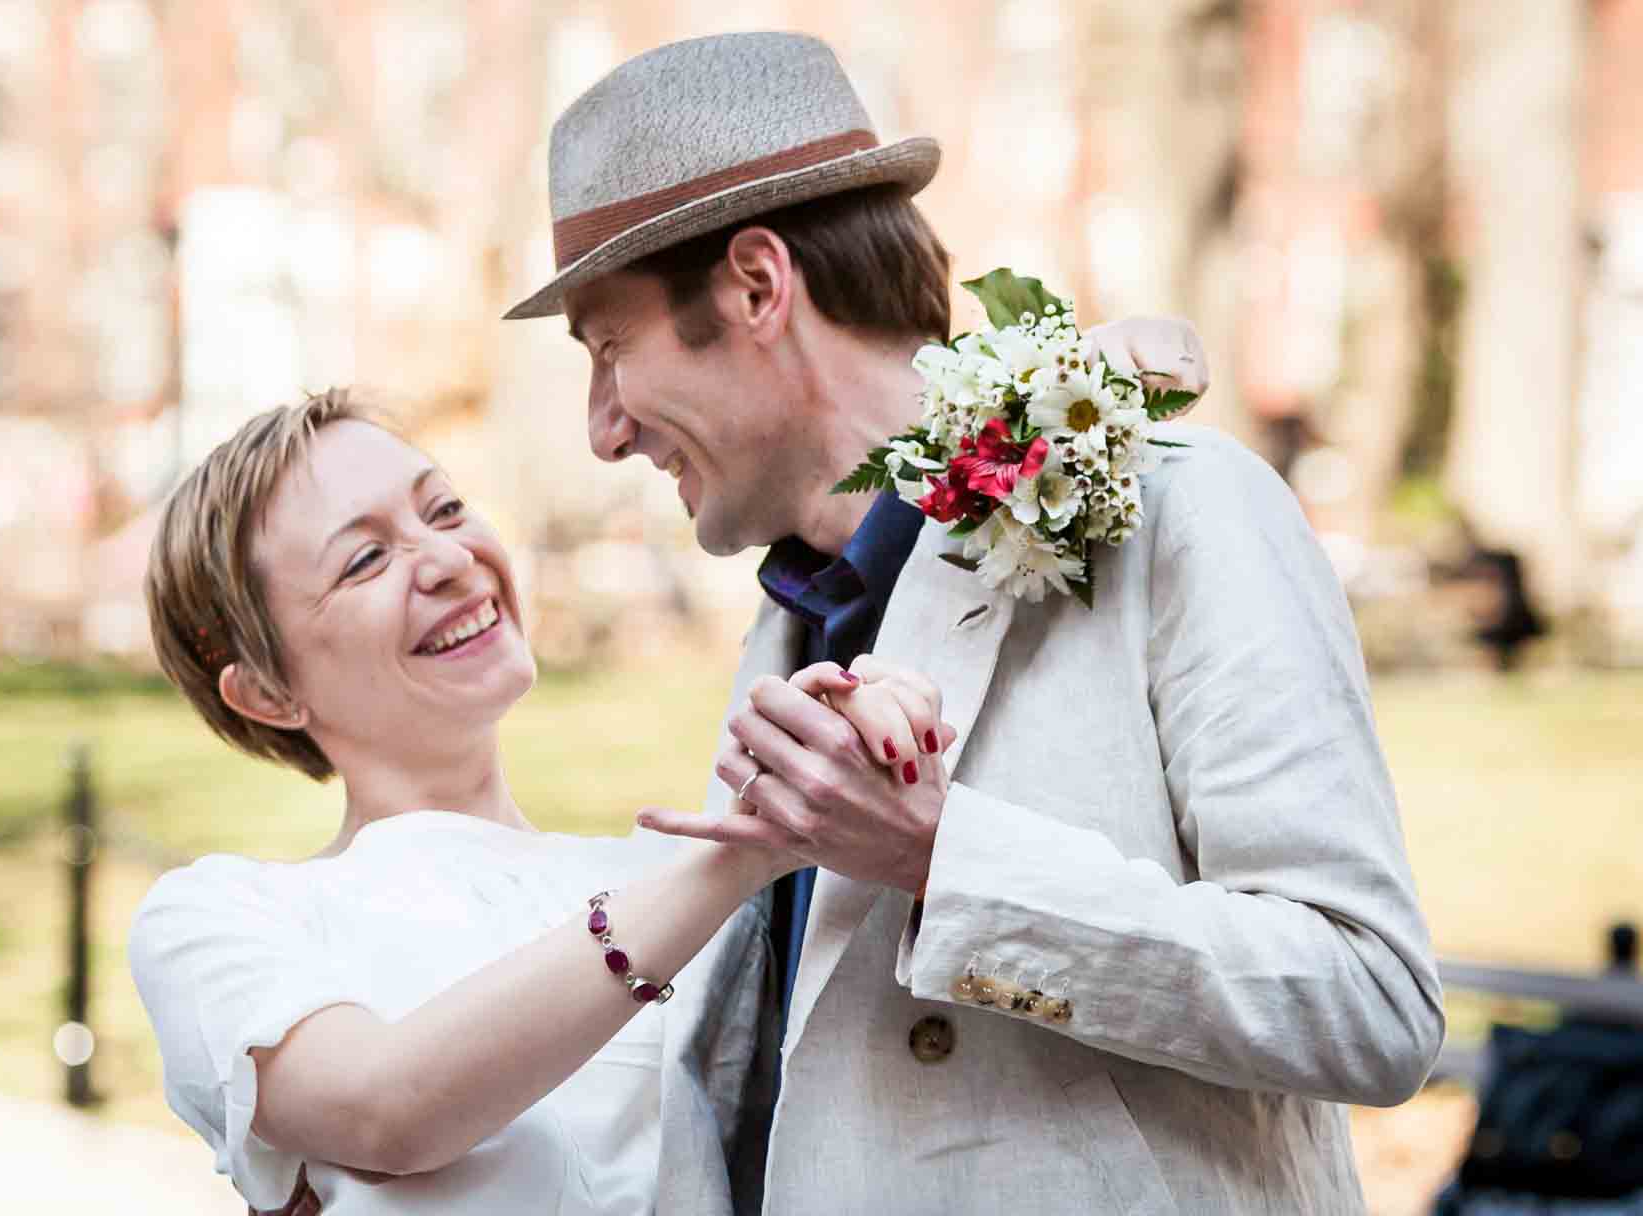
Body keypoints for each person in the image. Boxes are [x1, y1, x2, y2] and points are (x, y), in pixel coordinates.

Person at [505, 31, 1446, 1214]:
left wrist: (943, 859)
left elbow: (1371, 1005)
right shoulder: (788, 626)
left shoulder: (1181, 508)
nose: (603, 429)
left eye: (608, 349)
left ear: (756, 285)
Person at [126, 389, 955, 1215]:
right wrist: (740, 852)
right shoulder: (225, 917)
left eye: (444, 509)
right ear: (268, 692)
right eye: (364, 560)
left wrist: (867, 732)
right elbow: (383, 1112)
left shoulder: (673, 880)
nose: (450, 560)